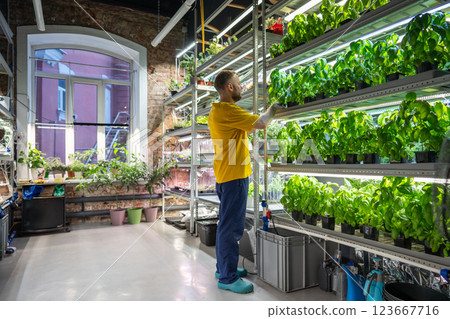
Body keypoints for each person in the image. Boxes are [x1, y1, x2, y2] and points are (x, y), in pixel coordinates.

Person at [208, 70, 277, 294]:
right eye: (238, 83)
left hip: (226, 174)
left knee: (225, 225)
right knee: (231, 228)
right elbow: (261, 123)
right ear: (229, 87)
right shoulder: (228, 110)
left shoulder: (218, 110)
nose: (241, 87)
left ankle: (223, 269)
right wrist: (274, 108)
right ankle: (227, 278)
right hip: (234, 176)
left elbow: (247, 125)